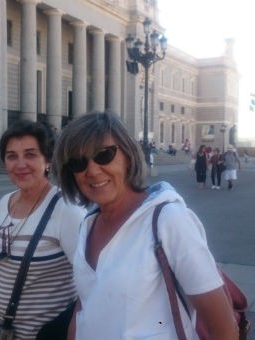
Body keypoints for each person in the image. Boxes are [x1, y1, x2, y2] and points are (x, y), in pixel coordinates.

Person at [51, 112, 238, 340]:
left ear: (128, 156)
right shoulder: (87, 225)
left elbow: (223, 327)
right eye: (78, 162)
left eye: (104, 155)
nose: (92, 170)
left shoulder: (169, 219)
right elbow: (84, 306)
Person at [0, 120, 85, 340]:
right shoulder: (5, 202)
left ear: (48, 160)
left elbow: (90, 281)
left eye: (30, 154)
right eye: (12, 156)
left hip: (38, 334)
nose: (20, 164)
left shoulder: (66, 209)